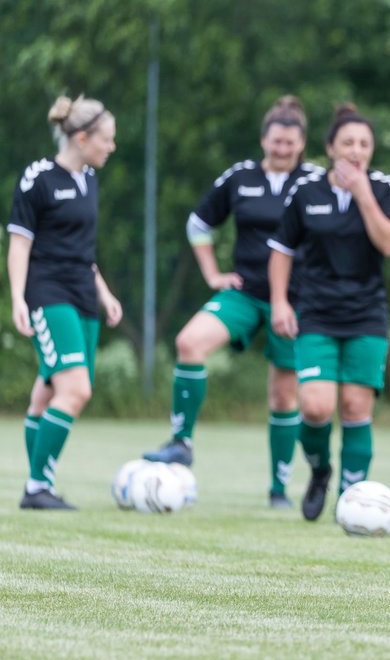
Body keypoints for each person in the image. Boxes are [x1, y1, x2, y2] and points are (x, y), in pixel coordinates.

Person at [142, 96, 321, 508]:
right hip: (244, 292)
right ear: (263, 140)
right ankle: (181, 442)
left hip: (294, 302)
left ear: (302, 143)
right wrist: (211, 273)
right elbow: (198, 223)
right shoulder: (240, 177)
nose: (283, 149)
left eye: (291, 143)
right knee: (189, 343)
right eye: (276, 142)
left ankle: (279, 489)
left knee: (282, 396)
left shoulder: (315, 180)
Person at [267, 102, 390, 521]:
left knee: (356, 410)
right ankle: (321, 469)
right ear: (329, 147)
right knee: (314, 407)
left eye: (364, 143)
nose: (356, 151)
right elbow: (281, 251)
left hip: (366, 315)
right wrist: (278, 302)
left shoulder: (384, 189)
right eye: (348, 143)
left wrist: (362, 194)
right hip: (317, 315)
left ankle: (352, 498)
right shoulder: (306, 192)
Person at [7, 95, 123, 510]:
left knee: (48, 392)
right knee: (75, 389)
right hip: (47, 292)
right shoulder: (38, 177)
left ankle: (40, 485)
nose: (111, 146)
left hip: (81, 294)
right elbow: (20, 243)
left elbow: (83, 251)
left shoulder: (89, 179)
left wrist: (104, 293)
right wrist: (18, 298)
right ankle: (38, 487)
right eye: (106, 139)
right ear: (82, 136)